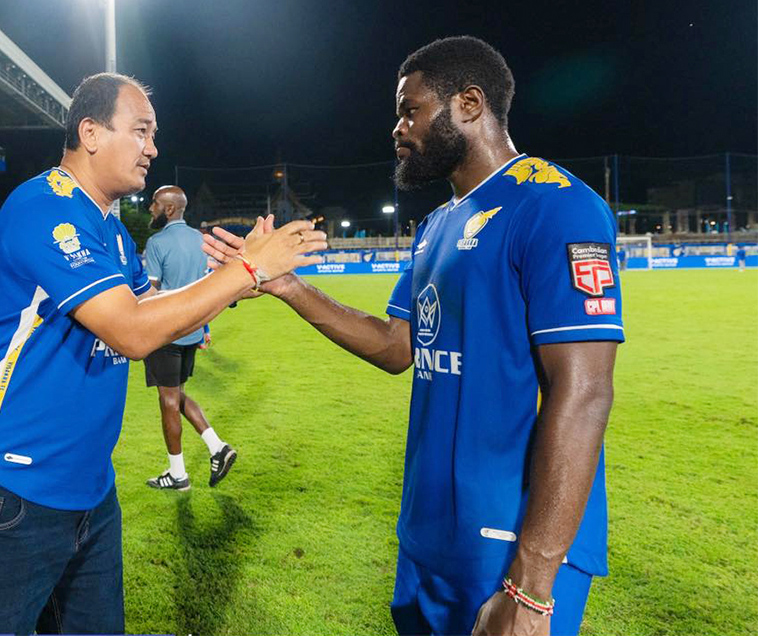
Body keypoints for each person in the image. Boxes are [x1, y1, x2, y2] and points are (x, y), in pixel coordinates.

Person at [203, 36, 623, 636]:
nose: (398, 128)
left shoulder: (556, 207)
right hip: (429, 537)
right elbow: (398, 346)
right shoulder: (436, 226)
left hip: (510, 552)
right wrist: (287, 287)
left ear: (470, 104)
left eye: (410, 110)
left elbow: (583, 396)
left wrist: (531, 588)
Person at [0, 72, 325, 635]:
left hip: (88, 487)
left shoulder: (108, 225)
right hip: (4, 485)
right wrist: (245, 270)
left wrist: (239, 279)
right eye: (141, 131)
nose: (153, 148)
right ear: (90, 132)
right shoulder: (45, 206)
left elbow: (156, 308)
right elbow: (132, 332)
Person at [142, 185, 236, 491]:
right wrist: (204, 327)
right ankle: (216, 447)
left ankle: (179, 474)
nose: (150, 209)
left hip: (166, 331)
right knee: (177, 396)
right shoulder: (201, 240)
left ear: (169, 209)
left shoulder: (157, 242)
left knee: (168, 400)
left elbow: (152, 292)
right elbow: (208, 289)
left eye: (155, 204)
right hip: (193, 329)